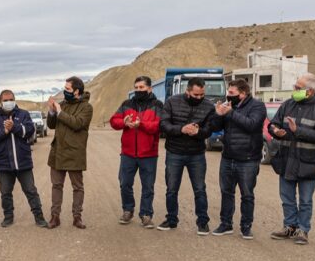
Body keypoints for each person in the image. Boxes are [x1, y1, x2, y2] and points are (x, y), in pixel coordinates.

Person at [267, 73, 315, 245]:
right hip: (287, 159)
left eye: (298, 88)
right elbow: (273, 123)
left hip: (308, 162)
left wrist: (297, 131)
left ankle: (303, 230)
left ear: (310, 91)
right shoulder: (288, 104)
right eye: (295, 86)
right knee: (287, 198)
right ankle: (289, 226)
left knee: (305, 200)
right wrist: (276, 131)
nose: (294, 90)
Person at [209, 79, 267, 239]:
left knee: (247, 194)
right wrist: (218, 115)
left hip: (248, 159)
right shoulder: (229, 106)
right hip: (228, 157)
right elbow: (215, 128)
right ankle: (225, 224)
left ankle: (246, 226)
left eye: (232, 93)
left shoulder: (257, 106)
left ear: (243, 93)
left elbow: (252, 125)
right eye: (228, 92)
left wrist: (230, 113)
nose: (228, 95)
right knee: (226, 192)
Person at [158, 77, 217, 234]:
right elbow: (163, 125)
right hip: (174, 153)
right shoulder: (172, 101)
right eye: (196, 94)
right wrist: (181, 129)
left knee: (199, 189)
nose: (199, 98)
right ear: (188, 91)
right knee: (171, 189)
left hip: (196, 154)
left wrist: (199, 132)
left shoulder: (209, 106)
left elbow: (209, 129)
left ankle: (202, 222)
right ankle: (171, 220)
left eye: (202, 95)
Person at [0, 89, 48, 228]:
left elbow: (29, 131)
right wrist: (4, 131)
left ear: (14, 100)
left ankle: (39, 217)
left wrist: (14, 127)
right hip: (4, 164)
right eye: (5, 100)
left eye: (11, 99)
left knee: (31, 191)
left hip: (23, 162)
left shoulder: (23, 114)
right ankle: (8, 217)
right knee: (5, 192)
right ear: (0, 102)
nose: (8, 102)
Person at [109, 76, 163, 228]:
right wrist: (124, 122)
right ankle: (128, 210)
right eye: (136, 87)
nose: (138, 90)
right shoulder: (126, 104)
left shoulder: (157, 105)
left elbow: (158, 126)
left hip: (149, 154)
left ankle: (146, 214)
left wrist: (142, 124)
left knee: (148, 186)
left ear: (149, 89)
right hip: (128, 153)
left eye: (142, 88)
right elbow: (114, 121)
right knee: (125, 183)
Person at [46, 76, 93, 229]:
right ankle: (55, 217)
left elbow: (78, 124)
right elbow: (52, 125)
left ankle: (77, 217)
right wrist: (52, 112)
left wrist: (59, 113)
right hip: (58, 152)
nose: (64, 91)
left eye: (67, 89)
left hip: (74, 153)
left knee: (77, 187)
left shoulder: (86, 107)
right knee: (56, 185)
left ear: (77, 91)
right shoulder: (62, 105)